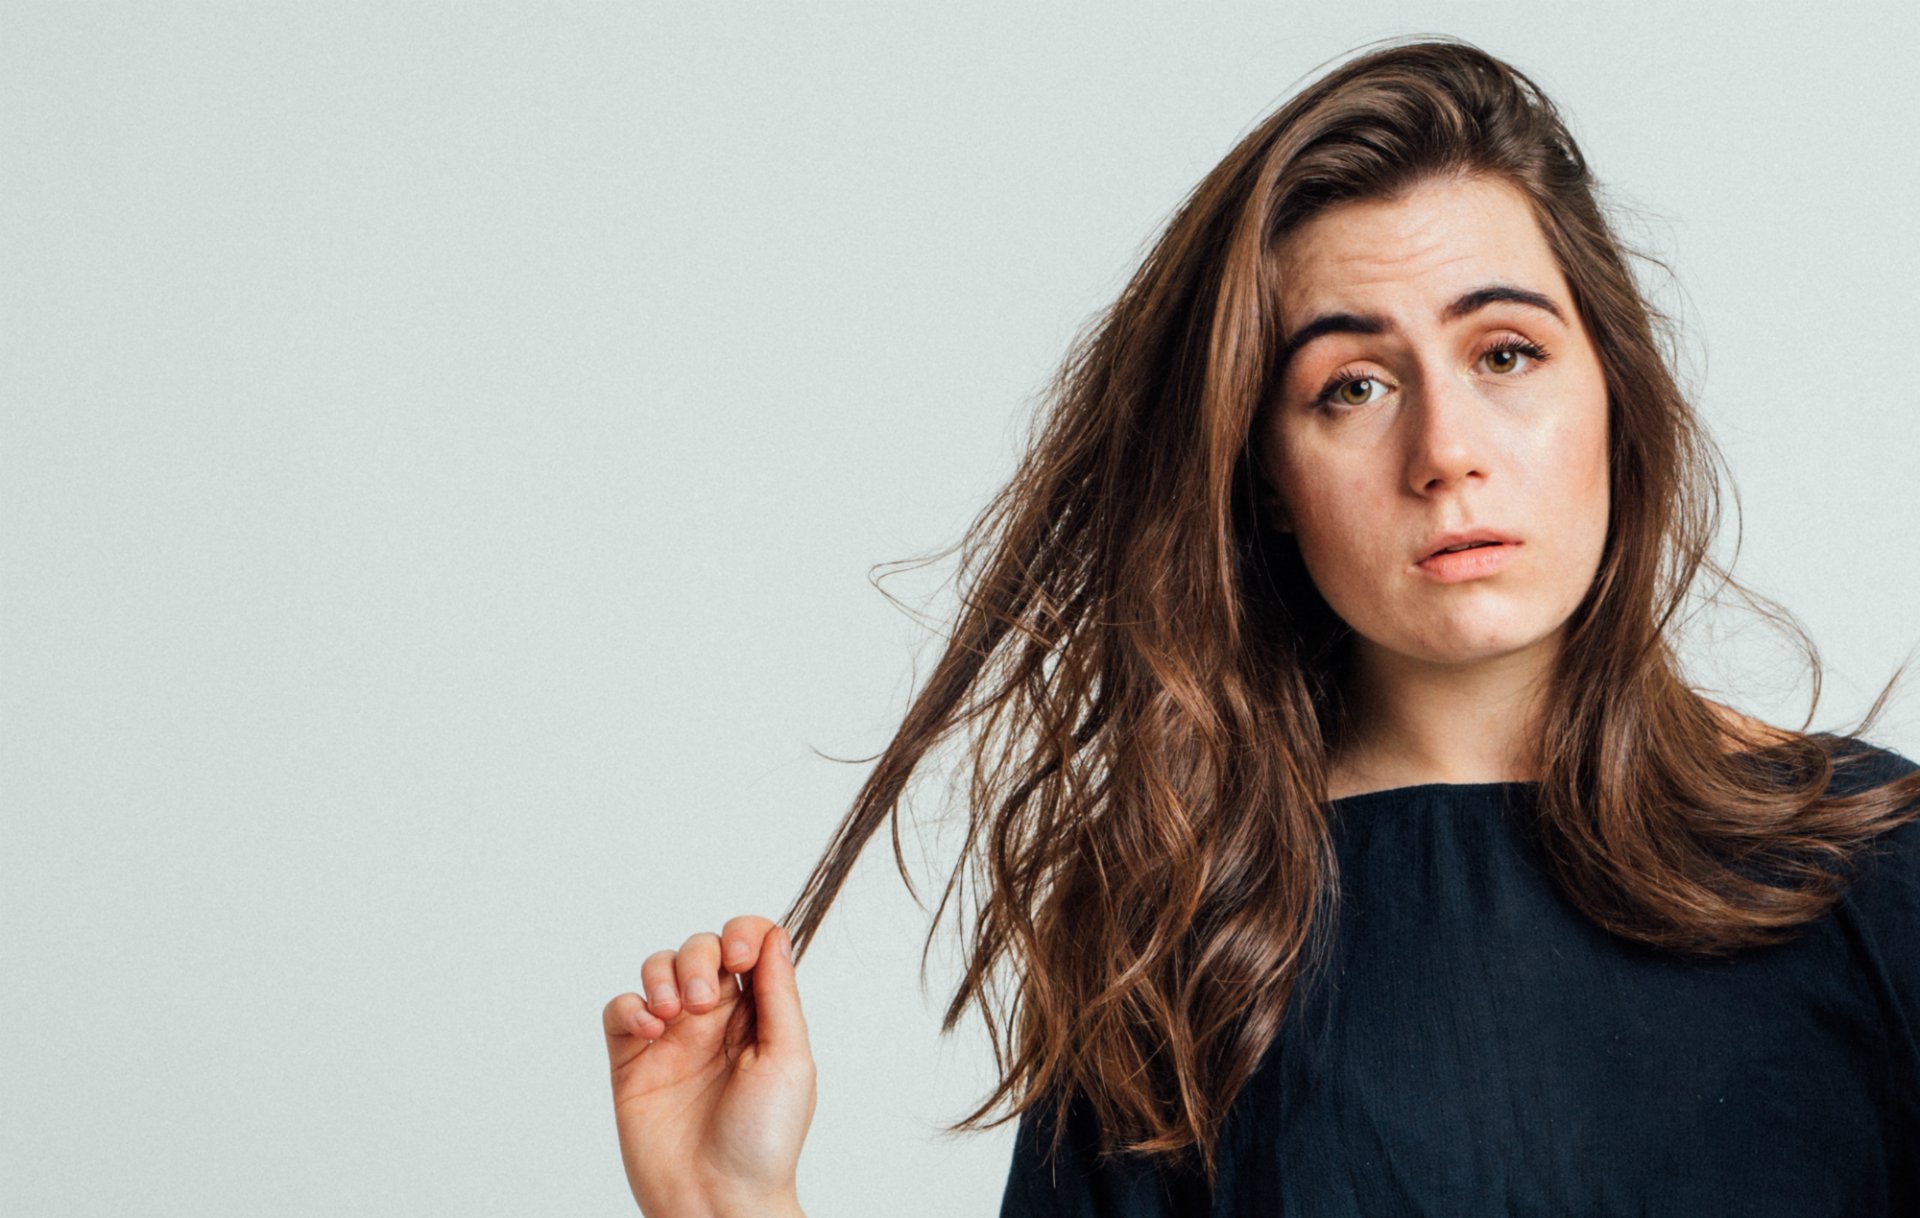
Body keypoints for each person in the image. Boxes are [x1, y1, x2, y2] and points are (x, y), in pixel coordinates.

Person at [601, 36, 1920, 1216]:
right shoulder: (1184, 947)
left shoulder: (1871, 867)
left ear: (1615, 392)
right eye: (1351, 385)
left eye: (1506, 352)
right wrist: (731, 1204)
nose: (1446, 450)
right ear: (1266, 481)